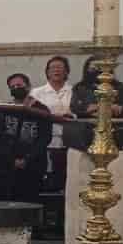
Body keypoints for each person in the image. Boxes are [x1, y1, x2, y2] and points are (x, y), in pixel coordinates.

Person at [0, 73, 52, 203]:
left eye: (19, 85)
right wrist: (12, 159)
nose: (16, 88)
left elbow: (44, 138)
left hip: (33, 165)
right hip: (8, 166)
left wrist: (27, 159)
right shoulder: (4, 110)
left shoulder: (41, 109)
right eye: (12, 86)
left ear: (28, 86)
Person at [32, 55, 74, 189]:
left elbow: (79, 112)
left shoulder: (74, 91)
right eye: (53, 68)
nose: (56, 70)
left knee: (66, 178)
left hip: (69, 140)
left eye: (60, 67)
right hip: (46, 140)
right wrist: (53, 117)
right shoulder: (37, 92)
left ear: (66, 71)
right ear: (47, 72)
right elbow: (32, 115)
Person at [71, 55, 123, 119]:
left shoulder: (121, 87)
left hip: (114, 125)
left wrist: (94, 108)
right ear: (86, 69)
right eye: (93, 69)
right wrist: (108, 107)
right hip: (85, 126)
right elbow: (75, 109)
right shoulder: (79, 87)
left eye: (100, 68)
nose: (97, 71)